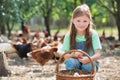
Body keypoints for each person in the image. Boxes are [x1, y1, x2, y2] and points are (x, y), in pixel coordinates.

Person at [62, 4, 102, 72]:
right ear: (73, 21)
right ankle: (73, 77)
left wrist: (88, 59)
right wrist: (73, 54)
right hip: (75, 61)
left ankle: (87, 78)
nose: (81, 24)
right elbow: (65, 56)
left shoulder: (93, 34)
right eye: (78, 21)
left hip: (90, 61)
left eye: (85, 21)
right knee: (70, 63)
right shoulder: (69, 35)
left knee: (88, 66)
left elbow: (98, 55)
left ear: (89, 21)